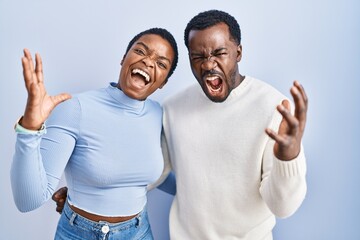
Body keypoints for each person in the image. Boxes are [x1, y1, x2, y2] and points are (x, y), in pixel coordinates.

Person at [53, 9, 308, 240]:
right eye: (198, 56)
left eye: (220, 53)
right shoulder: (174, 108)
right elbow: (152, 173)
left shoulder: (275, 109)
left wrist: (289, 157)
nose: (208, 64)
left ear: (238, 52)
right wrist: (87, 196)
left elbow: (283, 207)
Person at [10, 27, 178, 240]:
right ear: (123, 58)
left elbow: (156, 175)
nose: (148, 62)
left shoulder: (157, 114)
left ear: (163, 82)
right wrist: (29, 129)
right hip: (79, 234)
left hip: (140, 231)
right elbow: (28, 201)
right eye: (140, 51)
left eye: (161, 64)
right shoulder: (75, 108)